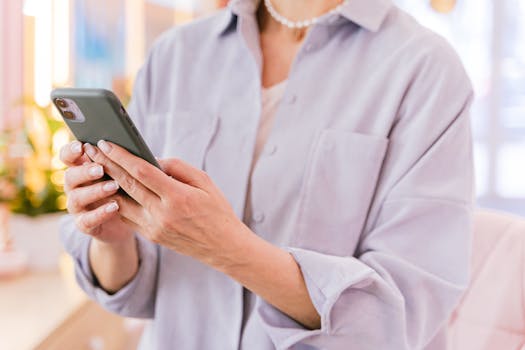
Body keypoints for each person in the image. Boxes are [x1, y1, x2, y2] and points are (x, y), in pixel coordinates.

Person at [59, 0, 474, 348]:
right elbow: (142, 296)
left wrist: (228, 248)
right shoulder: (175, 54)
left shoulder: (424, 69)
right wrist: (114, 237)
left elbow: (401, 316)